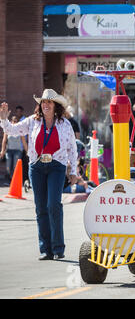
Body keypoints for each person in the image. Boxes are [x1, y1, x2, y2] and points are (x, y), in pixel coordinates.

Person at [0, 89, 78, 260]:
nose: (45, 105)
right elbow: (13, 130)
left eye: (49, 102)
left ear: (55, 105)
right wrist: (4, 119)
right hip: (36, 167)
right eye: (43, 102)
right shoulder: (32, 122)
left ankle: (58, 248)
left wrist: (74, 172)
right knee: (41, 208)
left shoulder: (64, 124)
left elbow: (72, 148)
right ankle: (45, 249)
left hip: (57, 166)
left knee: (53, 205)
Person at [0, 116, 27, 181]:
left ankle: (14, 180)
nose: (14, 122)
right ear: (11, 122)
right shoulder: (7, 130)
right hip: (9, 150)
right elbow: (4, 141)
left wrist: (27, 151)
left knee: (15, 166)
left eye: (16, 121)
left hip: (18, 151)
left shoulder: (20, 130)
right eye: (13, 121)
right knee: (8, 167)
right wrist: (2, 151)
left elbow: (23, 141)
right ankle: (10, 178)